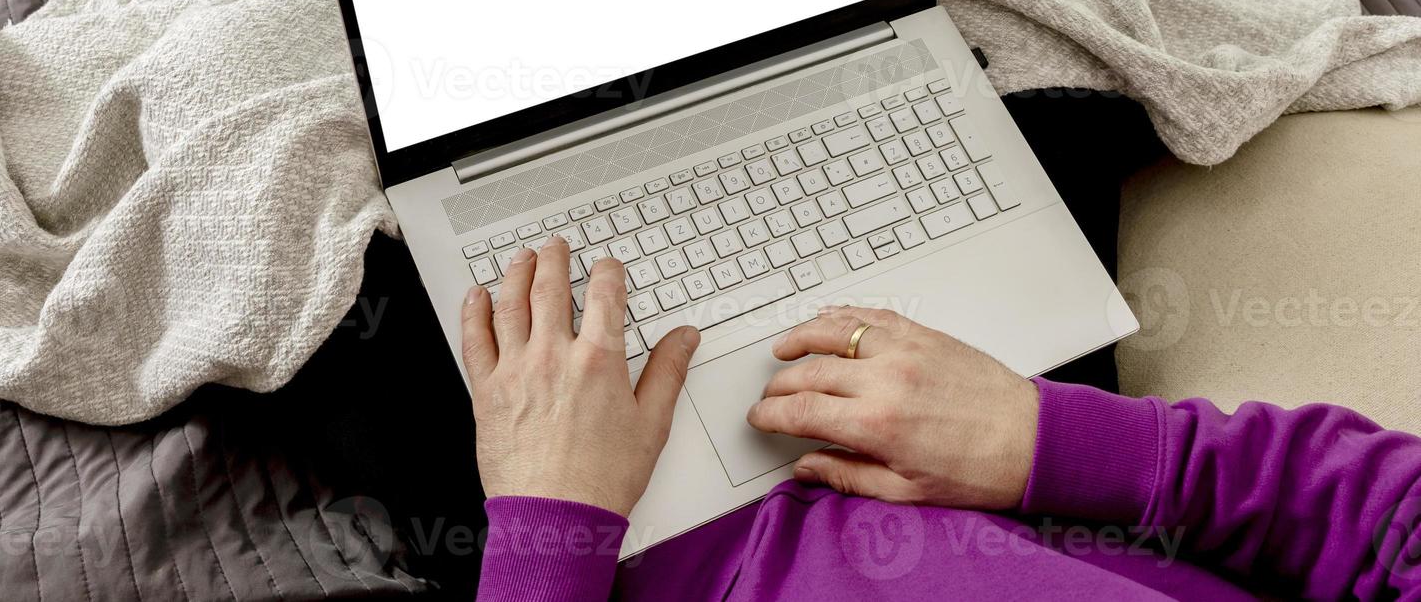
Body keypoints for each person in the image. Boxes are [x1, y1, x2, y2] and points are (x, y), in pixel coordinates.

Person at [461, 237, 1421, 601]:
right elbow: (1390, 515)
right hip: (1016, 469)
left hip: (602, 545)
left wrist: (548, 530)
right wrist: (1038, 438)